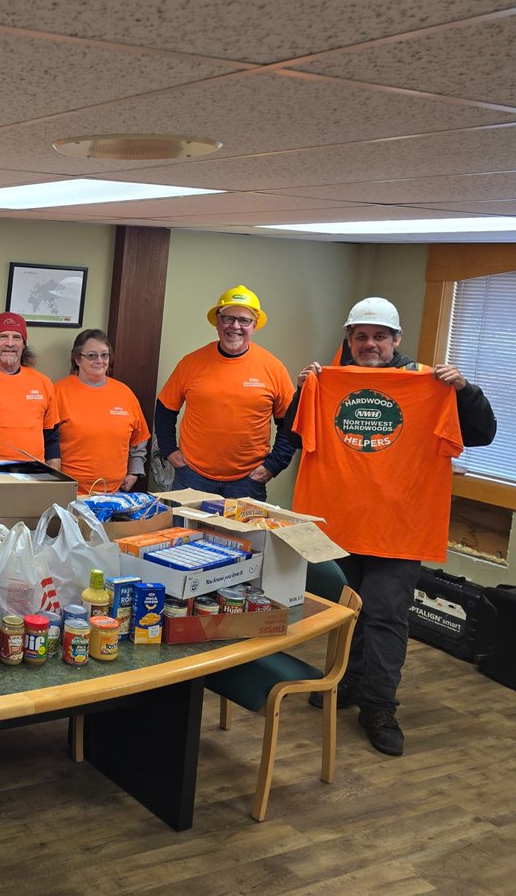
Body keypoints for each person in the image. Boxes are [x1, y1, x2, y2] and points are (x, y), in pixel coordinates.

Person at [288, 296, 496, 757]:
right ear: (349, 340)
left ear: (396, 339)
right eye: (361, 336)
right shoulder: (330, 381)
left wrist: (464, 390)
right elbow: (294, 433)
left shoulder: (427, 382)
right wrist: (305, 391)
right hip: (341, 526)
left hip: (400, 530)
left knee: (385, 616)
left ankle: (379, 708)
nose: (370, 344)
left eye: (379, 336)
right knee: (348, 612)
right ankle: (349, 682)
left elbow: (483, 434)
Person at [155, 285, 294, 499]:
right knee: (182, 523)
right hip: (192, 477)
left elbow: (290, 424)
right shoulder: (190, 363)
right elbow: (165, 409)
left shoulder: (273, 368)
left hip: (248, 482)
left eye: (244, 320)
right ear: (217, 323)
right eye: (228, 318)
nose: (235, 326)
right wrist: (169, 451)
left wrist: (272, 466)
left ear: (254, 326)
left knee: (244, 526)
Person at [55, 329, 150, 495]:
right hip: (70, 494)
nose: (99, 361)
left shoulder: (124, 393)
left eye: (104, 355)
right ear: (77, 359)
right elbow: (45, 441)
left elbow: (139, 439)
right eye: (92, 356)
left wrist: (134, 472)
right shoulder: (58, 392)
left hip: (115, 493)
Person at [0, 312, 60, 467]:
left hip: (33, 474)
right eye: (3, 336)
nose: (10, 343)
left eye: (16, 337)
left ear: (23, 344)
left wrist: (54, 476)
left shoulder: (43, 383)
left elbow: (51, 438)